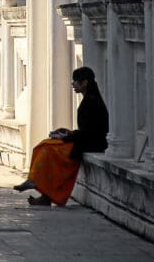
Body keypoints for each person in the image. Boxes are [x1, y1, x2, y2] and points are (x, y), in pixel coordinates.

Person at [12, 66, 109, 206]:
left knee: (48, 150)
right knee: (45, 145)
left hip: (92, 143)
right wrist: (68, 133)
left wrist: (67, 137)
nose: (73, 84)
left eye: (76, 81)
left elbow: (91, 132)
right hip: (85, 140)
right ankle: (37, 185)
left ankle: (38, 186)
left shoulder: (92, 102)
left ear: (85, 83)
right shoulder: (89, 100)